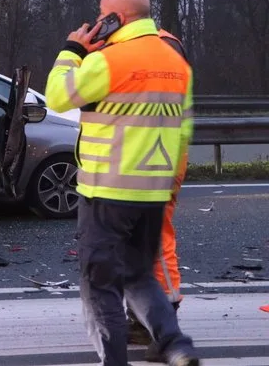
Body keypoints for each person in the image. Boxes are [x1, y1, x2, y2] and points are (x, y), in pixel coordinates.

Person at [45, 0, 199, 366]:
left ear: (118, 18)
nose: (98, 21)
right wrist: (170, 181)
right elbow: (184, 127)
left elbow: (57, 97)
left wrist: (71, 51)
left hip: (107, 189)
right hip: (154, 188)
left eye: (102, 14)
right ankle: (175, 344)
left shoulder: (109, 60)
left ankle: (114, 361)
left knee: (99, 285)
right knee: (139, 275)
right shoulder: (176, 61)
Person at [127, 27, 190, 362]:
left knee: (156, 239)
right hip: (146, 157)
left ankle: (166, 326)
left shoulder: (159, 48)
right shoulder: (149, 46)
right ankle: (141, 322)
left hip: (155, 158)